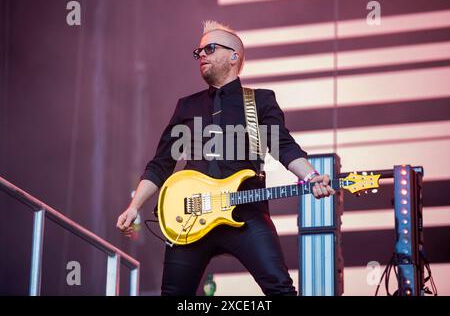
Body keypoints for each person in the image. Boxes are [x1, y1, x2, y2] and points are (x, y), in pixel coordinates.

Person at [117, 20, 335, 296]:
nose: (201, 56)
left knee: (280, 290)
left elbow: (283, 146)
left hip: (246, 213)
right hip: (190, 217)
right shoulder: (188, 105)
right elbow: (162, 163)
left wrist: (312, 177)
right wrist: (134, 206)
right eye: (198, 52)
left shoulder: (261, 101)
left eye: (209, 48)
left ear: (234, 57)